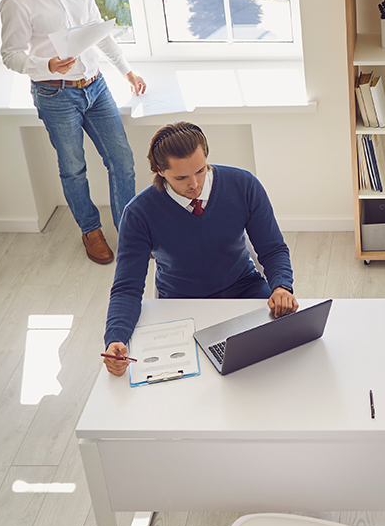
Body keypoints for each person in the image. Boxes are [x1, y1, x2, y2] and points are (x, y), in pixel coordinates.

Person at [0, 0, 147, 265]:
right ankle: (90, 230)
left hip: (95, 85)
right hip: (56, 95)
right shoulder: (16, 1)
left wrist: (125, 69)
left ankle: (130, 233)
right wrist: (46, 65)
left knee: (122, 161)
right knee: (73, 168)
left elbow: (98, 31)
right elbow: (10, 56)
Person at [102, 122, 296, 375]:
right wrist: (115, 338)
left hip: (245, 289)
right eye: (181, 177)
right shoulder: (139, 214)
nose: (194, 184)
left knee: (282, 365)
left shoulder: (244, 184)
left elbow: (272, 250)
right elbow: (127, 288)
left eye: (201, 170)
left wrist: (281, 286)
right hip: (181, 304)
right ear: (159, 170)